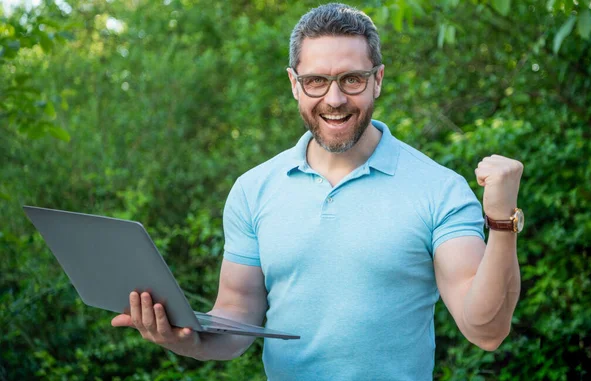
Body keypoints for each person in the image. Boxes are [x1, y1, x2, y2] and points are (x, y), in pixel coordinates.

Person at [111, 3, 523, 380]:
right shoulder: (253, 190)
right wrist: (183, 338)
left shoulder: (439, 190)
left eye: (352, 79)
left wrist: (502, 223)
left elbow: (485, 330)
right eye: (316, 82)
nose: (335, 99)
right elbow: (236, 319)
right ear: (294, 84)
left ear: (377, 80)